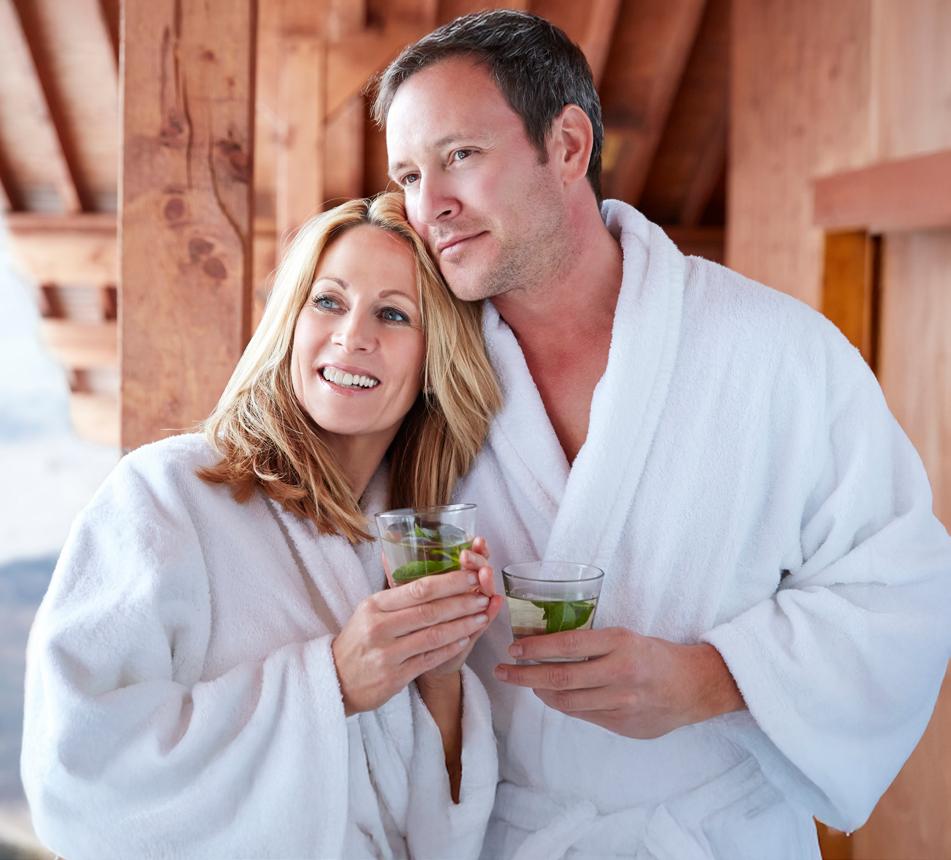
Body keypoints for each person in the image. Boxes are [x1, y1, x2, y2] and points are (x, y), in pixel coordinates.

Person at [374, 10, 951, 858]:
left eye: (459, 155)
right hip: (506, 836)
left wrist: (710, 680)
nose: (431, 207)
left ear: (567, 146)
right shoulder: (414, 368)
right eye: (408, 175)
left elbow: (900, 589)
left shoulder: (776, 351)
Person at [21, 193, 505, 858]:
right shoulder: (165, 495)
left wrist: (440, 674)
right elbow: (76, 771)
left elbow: (440, 838)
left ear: (434, 361)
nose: (352, 336)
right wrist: (332, 683)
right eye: (328, 301)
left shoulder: (404, 544)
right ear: (290, 322)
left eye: (393, 314)